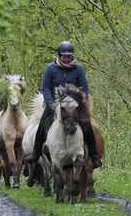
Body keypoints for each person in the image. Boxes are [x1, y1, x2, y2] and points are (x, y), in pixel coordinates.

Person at [24, 41, 103, 169]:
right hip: (55, 104)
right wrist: (51, 104)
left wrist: (81, 101)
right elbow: (46, 87)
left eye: (69, 56)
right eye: (64, 56)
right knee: (42, 124)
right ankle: (36, 153)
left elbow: (85, 87)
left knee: (88, 125)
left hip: (74, 105)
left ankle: (94, 156)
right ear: (59, 55)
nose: (66, 59)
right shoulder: (50, 68)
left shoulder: (79, 68)